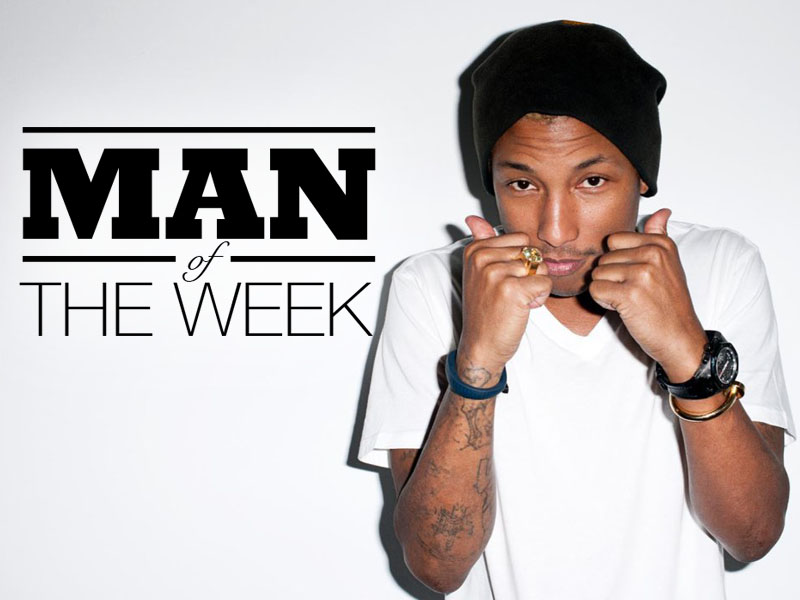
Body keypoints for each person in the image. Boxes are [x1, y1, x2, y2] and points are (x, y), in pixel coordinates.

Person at [358, 20, 795, 599]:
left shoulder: (719, 265)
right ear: (491, 181)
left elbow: (752, 535)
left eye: (591, 181)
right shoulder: (432, 285)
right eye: (522, 185)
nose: (556, 230)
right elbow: (438, 566)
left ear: (642, 177)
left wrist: (688, 357)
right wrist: (476, 368)